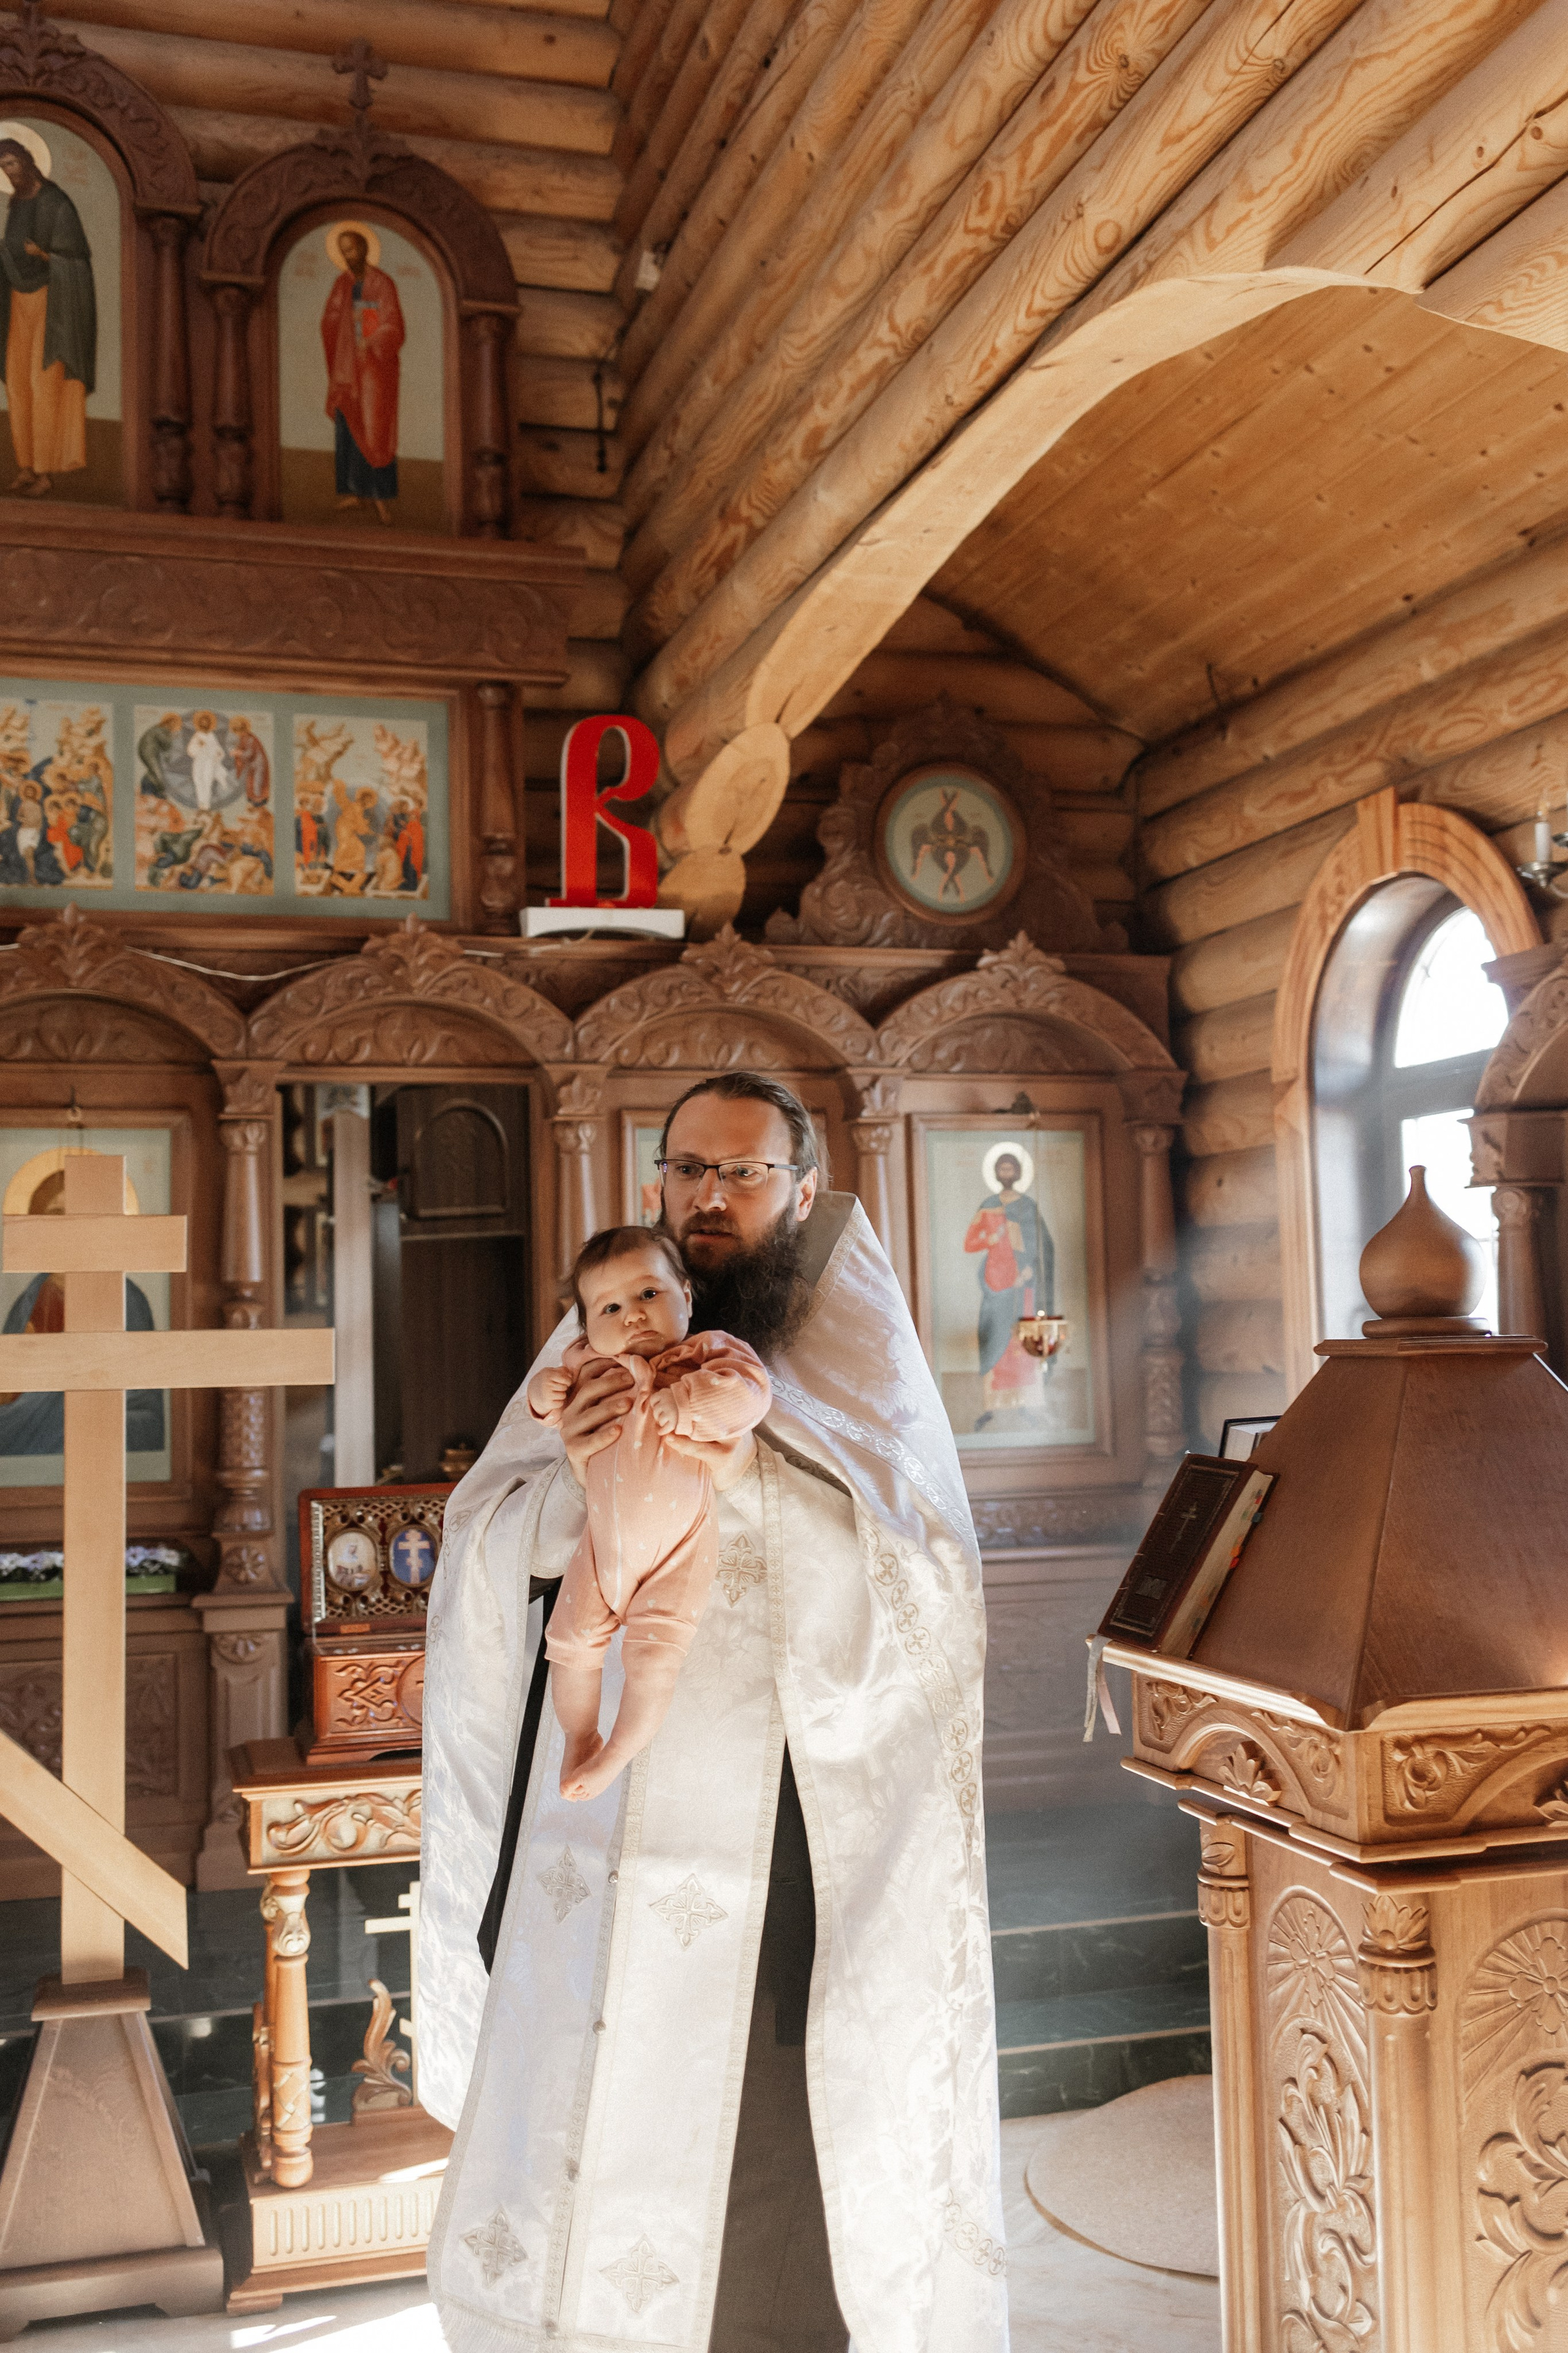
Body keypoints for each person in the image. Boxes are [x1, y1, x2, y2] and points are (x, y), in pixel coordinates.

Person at [421, 1073, 1006, 2353]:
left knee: (769, 2118)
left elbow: (929, 1571)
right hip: (605, 1821)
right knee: (601, 2084)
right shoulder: (603, 1327)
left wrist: (738, 1472)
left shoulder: (854, 1350)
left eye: (743, 1173)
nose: (712, 1197)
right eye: (690, 1170)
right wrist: (584, 1477)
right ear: (654, 1186)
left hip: (791, 1830)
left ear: (801, 1191)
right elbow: (493, 1536)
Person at [528, 1225, 771, 1803]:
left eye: (649, 1295)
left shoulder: (706, 1353)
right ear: (587, 1329)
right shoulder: (589, 1365)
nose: (633, 1315)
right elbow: (541, 1413)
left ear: (687, 1296)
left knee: (655, 1657)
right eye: (611, 1307)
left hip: (680, 1547)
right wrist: (547, 1392)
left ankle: (619, 1750)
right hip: (601, 1544)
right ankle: (579, 1734)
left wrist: (687, 1401)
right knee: (570, 1644)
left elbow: (752, 1391)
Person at [0, 134, 94, 498]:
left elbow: (75, 259)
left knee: (44, 385)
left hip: (53, 305)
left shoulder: (56, 202)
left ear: (26, 161)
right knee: (18, 382)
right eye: (2, 166)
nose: (8, 172)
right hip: (19, 300)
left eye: (11, 163)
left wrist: (44, 256)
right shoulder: (16, 205)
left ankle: (45, 472)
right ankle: (25, 466)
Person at [965, 1149, 1054, 1429]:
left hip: (1022, 1282)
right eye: (1001, 1169)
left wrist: (1030, 1270)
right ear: (995, 1174)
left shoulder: (1028, 1206)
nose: (1006, 1173)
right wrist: (991, 1237)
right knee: (995, 1338)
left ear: (1017, 1173)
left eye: (1010, 1168)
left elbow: (1041, 1245)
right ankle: (992, 1406)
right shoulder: (989, 1204)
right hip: (996, 1282)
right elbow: (970, 1244)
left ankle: (1027, 1405)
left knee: (1021, 1340)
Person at [321, 226, 404, 525]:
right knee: (348, 425)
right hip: (347, 367)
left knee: (375, 428)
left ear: (365, 250)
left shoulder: (383, 283)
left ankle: (381, 498)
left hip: (375, 372)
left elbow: (394, 325)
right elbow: (330, 319)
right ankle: (355, 492)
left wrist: (371, 333)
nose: (347, 256)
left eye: (352, 249)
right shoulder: (342, 283)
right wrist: (339, 322)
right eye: (343, 250)